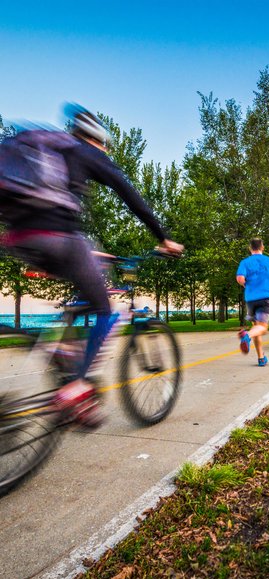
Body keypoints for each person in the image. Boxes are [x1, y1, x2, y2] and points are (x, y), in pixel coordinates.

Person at [2, 104, 184, 425]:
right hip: (60, 237)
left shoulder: (46, 149)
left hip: (20, 239)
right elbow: (129, 194)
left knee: (87, 273)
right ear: (98, 137)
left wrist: (92, 254)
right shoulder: (84, 150)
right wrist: (163, 237)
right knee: (107, 309)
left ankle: (63, 350)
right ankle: (77, 386)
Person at [236, 238, 269, 366]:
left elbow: (240, 278)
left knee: (256, 327)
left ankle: (261, 358)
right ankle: (246, 336)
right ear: (262, 247)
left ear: (250, 248)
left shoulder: (245, 262)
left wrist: (246, 285)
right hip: (264, 297)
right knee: (262, 328)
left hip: (250, 299)